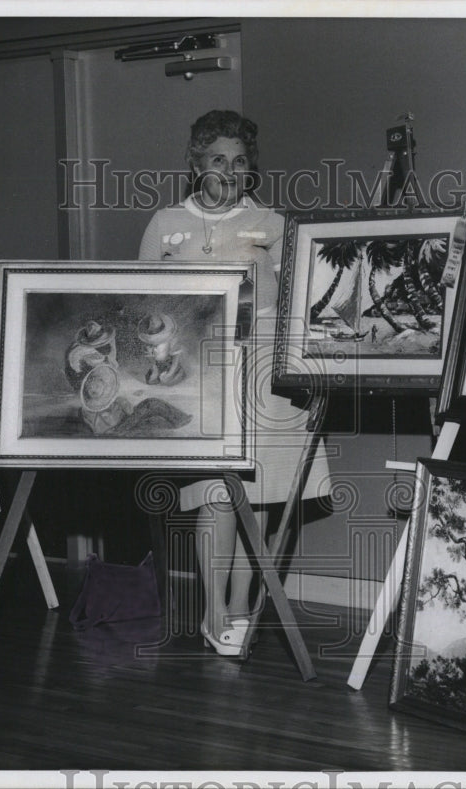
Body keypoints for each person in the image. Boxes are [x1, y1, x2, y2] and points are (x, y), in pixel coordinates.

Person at [139, 110, 330, 655]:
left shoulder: (274, 223)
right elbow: (140, 303)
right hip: (201, 371)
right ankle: (213, 613)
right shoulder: (164, 222)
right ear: (196, 164)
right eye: (217, 159)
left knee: (263, 494)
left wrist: (311, 375)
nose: (228, 170)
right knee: (216, 492)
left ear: (251, 169)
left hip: (267, 370)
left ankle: (244, 605)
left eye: (240, 161)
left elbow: (303, 307)